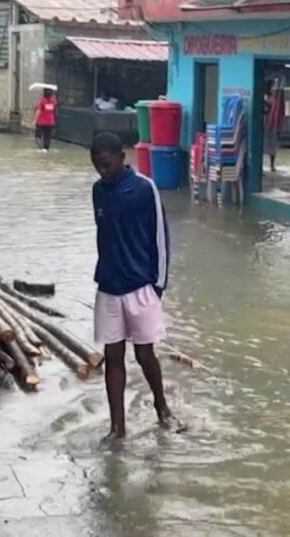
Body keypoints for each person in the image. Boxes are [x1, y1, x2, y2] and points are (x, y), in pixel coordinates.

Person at [90, 132, 175, 440]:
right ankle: (117, 428)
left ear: (121, 158)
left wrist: (158, 286)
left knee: (144, 354)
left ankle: (161, 405)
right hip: (108, 287)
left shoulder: (144, 189)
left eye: (107, 164)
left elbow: (160, 238)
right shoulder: (98, 191)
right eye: (97, 166)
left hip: (141, 286)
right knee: (113, 357)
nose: (102, 171)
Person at [263, 79, 285, 173]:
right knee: (265, 145)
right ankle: (266, 166)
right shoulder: (265, 98)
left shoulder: (276, 100)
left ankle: (272, 165)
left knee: (272, 146)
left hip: (272, 125)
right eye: (272, 86)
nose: (273, 89)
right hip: (265, 124)